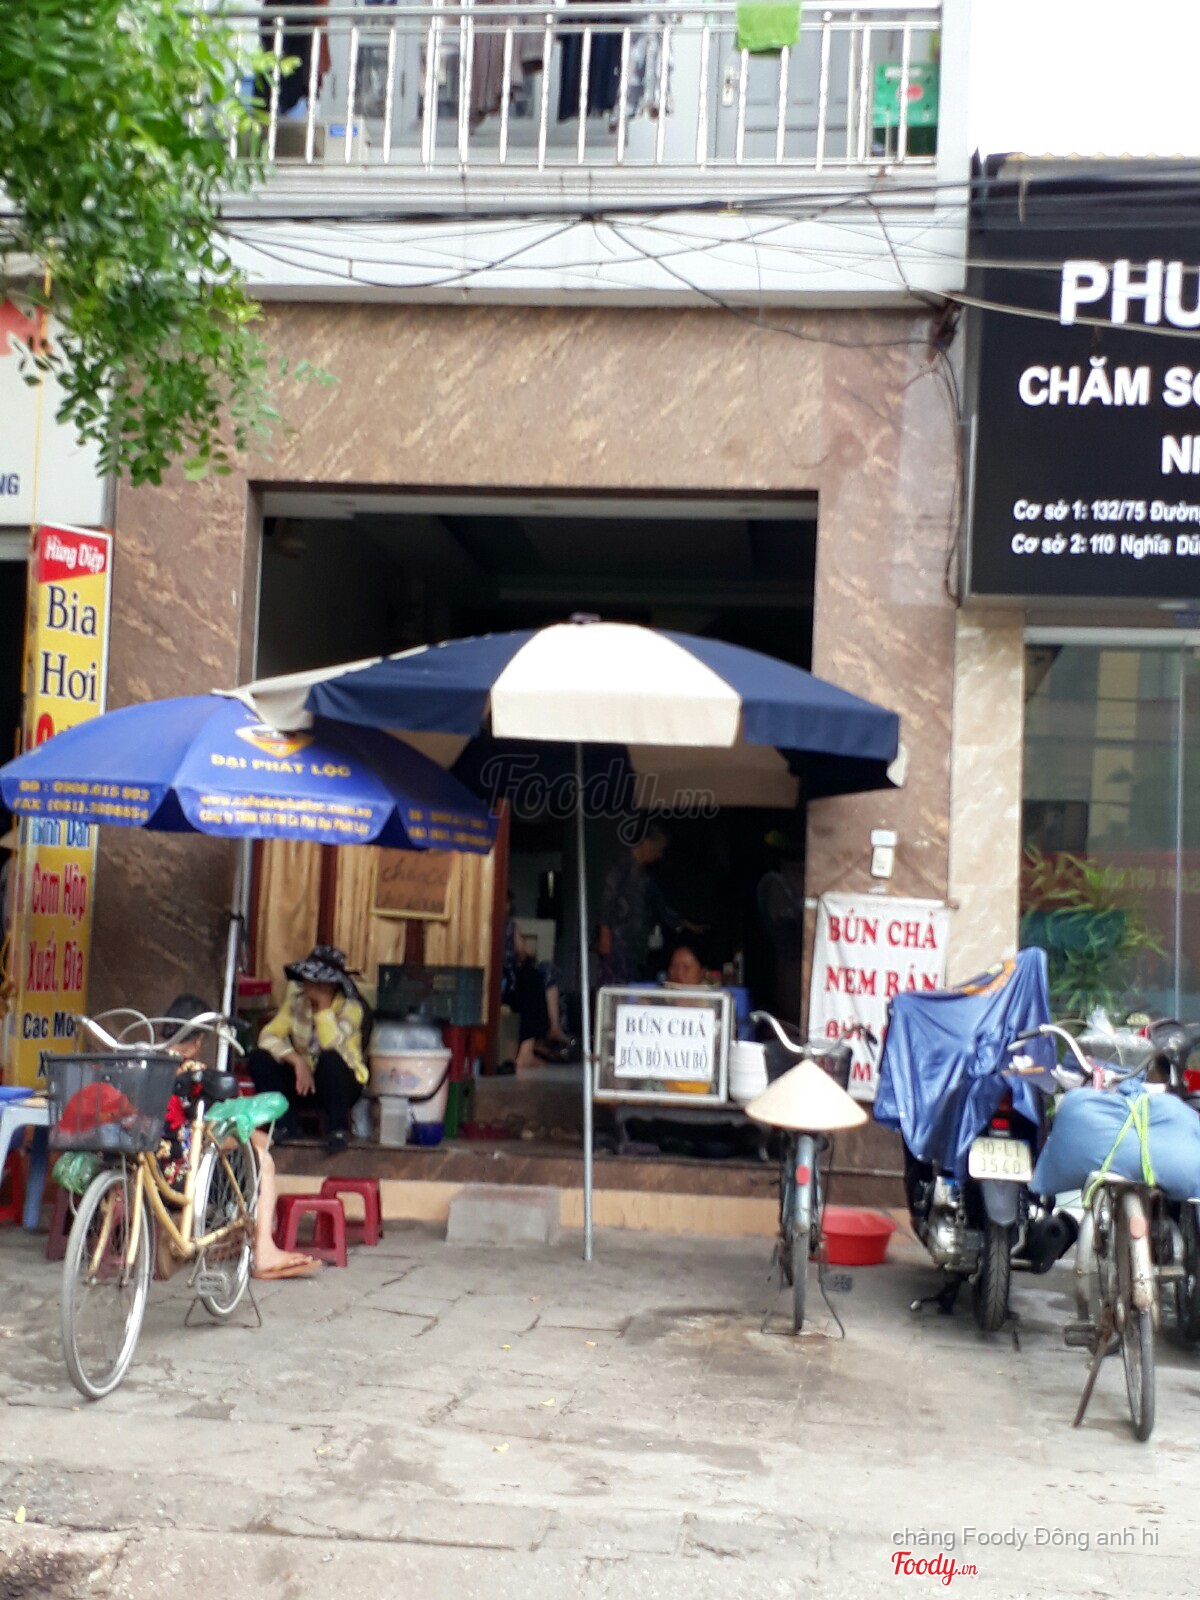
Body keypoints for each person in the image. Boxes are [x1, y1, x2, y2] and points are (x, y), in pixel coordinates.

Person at [162, 994, 320, 1282]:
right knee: (262, 1158)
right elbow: (215, 1126)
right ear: (197, 1042)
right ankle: (265, 1252)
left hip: (149, 1170)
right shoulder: (196, 1076)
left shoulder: (144, 1066)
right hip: (181, 1173)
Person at [246, 945, 369, 1155]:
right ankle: (285, 1125)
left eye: (316, 981)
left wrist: (323, 1010)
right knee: (259, 1059)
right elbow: (267, 1036)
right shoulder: (296, 1003)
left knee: (330, 1059)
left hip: (340, 1085)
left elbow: (332, 1045)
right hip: (303, 1082)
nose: (308, 985)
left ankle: (337, 1130)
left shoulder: (351, 1009)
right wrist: (296, 1060)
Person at [597, 822, 703, 986]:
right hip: (619, 940)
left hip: (636, 945)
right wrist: (605, 932)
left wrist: (684, 924)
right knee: (616, 984)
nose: (659, 855)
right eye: (659, 848)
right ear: (647, 842)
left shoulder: (645, 877)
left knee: (630, 984)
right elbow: (608, 897)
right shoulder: (621, 865)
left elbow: (661, 906)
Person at [502, 902, 573, 1070]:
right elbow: (522, 951)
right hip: (505, 982)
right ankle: (538, 1041)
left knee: (537, 976)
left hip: (503, 981)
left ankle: (549, 1032)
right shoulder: (508, 925)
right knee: (534, 979)